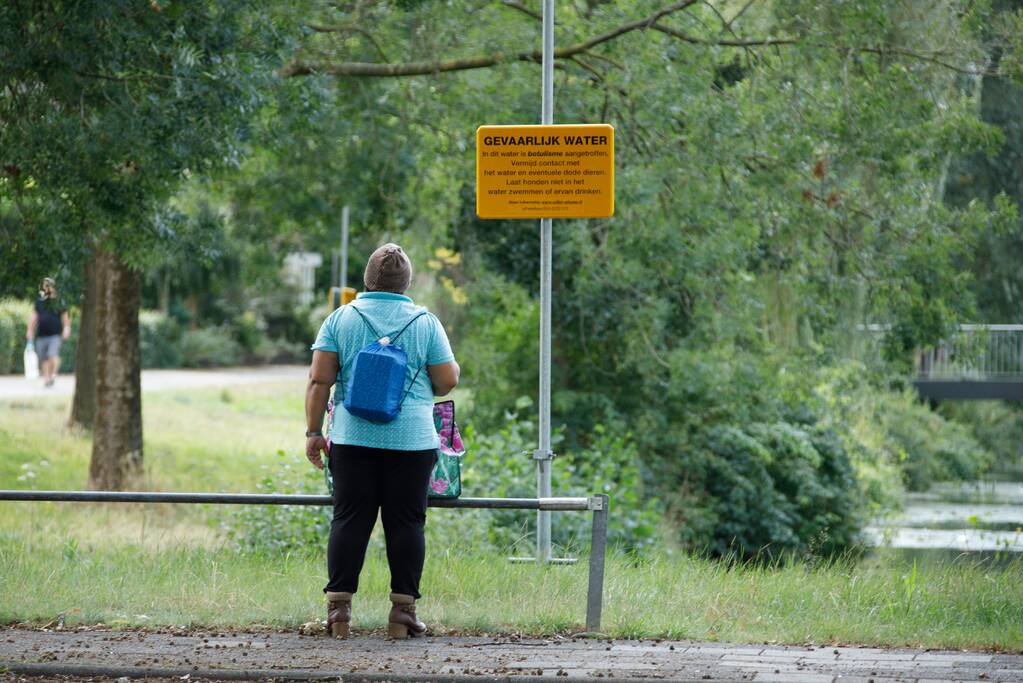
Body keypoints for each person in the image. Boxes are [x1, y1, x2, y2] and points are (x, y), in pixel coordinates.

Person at [305, 243, 460, 640]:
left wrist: (313, 433)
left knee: (349, 519)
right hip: (411, 440)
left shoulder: (340, 318)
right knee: (407, 522)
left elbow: (319, 380)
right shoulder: (426, 322)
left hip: (352, 438)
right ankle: (403, 614)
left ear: (367, 279)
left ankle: (338, 612)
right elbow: (446, 381)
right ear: (406, 281)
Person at [26, 277, 71, 387]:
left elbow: (65, 318)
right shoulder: (39, 301)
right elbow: (34, 317)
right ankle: (46, 378)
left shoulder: (59, 301)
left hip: (55, 335)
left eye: (48, 286)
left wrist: (66, 329)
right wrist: (30, 330)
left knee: (52, 355)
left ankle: (53, 375)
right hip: (41, 335)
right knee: (43, 358)